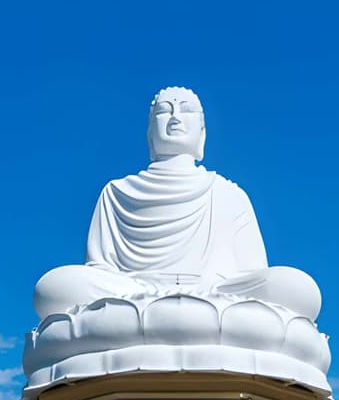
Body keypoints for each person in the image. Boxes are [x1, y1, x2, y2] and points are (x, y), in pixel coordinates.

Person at [33, 86, 322, 321]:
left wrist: (215, 290)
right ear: (149, 131)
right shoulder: (116, 192)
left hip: (217, 293)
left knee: (295, 288)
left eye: (186, 110)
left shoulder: (229, 194)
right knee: (56, 288)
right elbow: (101, 268)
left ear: (202, 131)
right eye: (163, 111)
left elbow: (250, 274)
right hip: (131, 293)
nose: (174, 118)